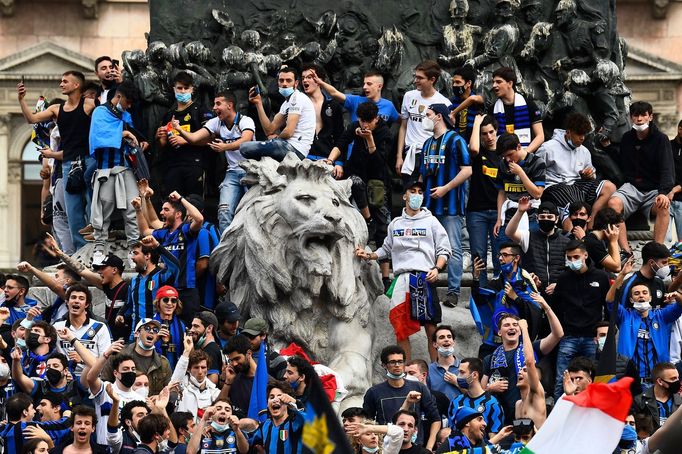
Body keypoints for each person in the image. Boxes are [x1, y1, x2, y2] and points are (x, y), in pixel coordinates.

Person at [356, 180, 451, 360]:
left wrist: (437, 268)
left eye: (420, 192)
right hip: (401, 280)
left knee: (431, 326)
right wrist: (369, 255)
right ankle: (407, 372)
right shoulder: (396, 224)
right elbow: (386, 249)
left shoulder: (432, 221)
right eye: (412, 191)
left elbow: (444, 249)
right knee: (401, 328)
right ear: (405, 196)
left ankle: (437, 369)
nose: (416, 195)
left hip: (424, 276)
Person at [17, 71, 96, 250]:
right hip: (68, 164)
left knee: (92, 203)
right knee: (72, 210)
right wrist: (22, 99)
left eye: (65, 81)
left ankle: (96, 245)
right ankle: (80, 251)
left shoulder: (90, 104)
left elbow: (111, 115)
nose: (61, 84)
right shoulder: (56, 109)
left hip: (89, 160)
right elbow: (32, 119)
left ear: (76, 85)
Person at [170, 90, 255, 233]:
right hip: (233, 173)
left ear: (229, 105)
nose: (214, 108)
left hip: (251, 171)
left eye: (218, 104)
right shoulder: (216, 122)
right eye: (214, 104)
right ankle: (226, 250)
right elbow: (195, 138)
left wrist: (225, 147)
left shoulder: (245, 120)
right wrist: (179, 129)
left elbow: (245, 141)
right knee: (224, 211)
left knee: (253, 211)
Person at [420, 103, 472, 308]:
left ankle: (453, 291)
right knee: (427, 247)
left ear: (439, 117)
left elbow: (467, 170)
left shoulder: (456, 140)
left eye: (429, 114)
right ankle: (427, 288)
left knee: (453, 248)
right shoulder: (426, 144)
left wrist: (446, 188)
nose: (425, 118)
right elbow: (423, 174)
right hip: (429, 205)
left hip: (450, 205)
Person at [88, 81, 146, 260]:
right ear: (119, 97)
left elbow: (131, 140)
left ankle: (134, 249)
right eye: (127, 101)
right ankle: (99, 249)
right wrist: (123, 134)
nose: (128, 106)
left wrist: (139, 143)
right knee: (102, 210)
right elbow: (98, 138)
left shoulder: (126, 116)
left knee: (132, 208)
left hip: (126, 169)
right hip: (105, 170)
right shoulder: (100, 112)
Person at [608, 101, 674, 251]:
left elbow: (667, 168)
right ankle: (626, 251)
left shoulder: (661, 139)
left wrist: (664, 192)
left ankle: (657, 251)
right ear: (631, 117)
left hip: (654, 190)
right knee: (613, 204)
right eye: (636, 115)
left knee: (664, 206)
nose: (639, 119)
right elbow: (621, 161)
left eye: (643, 115)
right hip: (632, 187)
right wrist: (608, 148)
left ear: (650, 117)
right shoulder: (626, 138)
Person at [329, 101, 392, 256]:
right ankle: (368, 220)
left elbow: (379, 161)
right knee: (355, 183)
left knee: (382, 226)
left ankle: (384, 273)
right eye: (362, 121)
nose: (364, 125)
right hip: (356, 172)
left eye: (368, 122)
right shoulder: (355, 126)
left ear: (376, 119)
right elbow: (341, 143)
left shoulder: (385, 133)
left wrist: (369, 139)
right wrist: (330, 160)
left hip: (377, 180)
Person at [607, 259, 682, 386]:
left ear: (650, 298)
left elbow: (680, 306)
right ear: (631, 299)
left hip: (657, 382)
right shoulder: (624, 316)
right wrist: (622, 275)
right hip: (630, 382)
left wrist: (677, 295)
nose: (641, 296)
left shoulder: (661, 316)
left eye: (644, 293)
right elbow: (610, 300)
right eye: (636, 294)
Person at [482, 308, 563, 426]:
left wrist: (546, 308)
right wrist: (490, 388)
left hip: (526, 411)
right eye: (506, 325)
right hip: (499, 414)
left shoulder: (532, 349)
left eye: (515, 324)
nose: (511, 327)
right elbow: (480, 391)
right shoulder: (490, 358)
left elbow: (558, 334)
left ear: (519, 330)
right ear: (499, 332)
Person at [551, 239, 610, 398]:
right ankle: (558, 414)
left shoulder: (601, 276)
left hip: (592, 337)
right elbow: (555, 305)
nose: (572, 261)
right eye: (569, 258)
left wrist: (606, 329)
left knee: (590, 380)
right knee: (561, 379)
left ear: (585, 255)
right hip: (569, 335)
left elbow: (608, 304)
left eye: (576, 257)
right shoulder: (563, 278)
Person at [137, 193, 204, 325]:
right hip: (167, 291)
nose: (161, 212)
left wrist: (181, 199)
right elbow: (145, 230)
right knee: (166, 329)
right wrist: (138, 209)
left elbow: (199, 219)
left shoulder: (185, 230)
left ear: (178, 214)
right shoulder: (164, 233)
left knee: (188, 329)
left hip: (186, 291)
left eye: (166, 210)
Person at [538, 112, 616, 222]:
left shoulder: (584, 151)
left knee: (609, 187)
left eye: (584, 134)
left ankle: (591, 226)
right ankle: (575, 234)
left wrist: (589, 175)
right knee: (576, 203)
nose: (582, 138)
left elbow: (591, 173)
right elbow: (535, 172)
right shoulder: (548, 148)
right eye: (579, 134)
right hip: (555, 186)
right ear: (568, 132)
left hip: (577, 185)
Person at [47, 237, 131, 340]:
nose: (99, 272)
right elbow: (80, 269)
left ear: (114, 270)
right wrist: (60, 253)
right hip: (109, 338)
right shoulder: (105, 286)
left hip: (125, 341)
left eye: (103, 268)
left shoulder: (128, 288)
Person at [362, 345, 441, 451]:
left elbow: (435, 419)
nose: (397, 365)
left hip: (415, 446)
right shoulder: (374, 392)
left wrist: (429, 448)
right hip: (387, 447)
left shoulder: (418, 387)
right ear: (384, 365)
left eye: (400, 361)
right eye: (393, 362)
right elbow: (368, 423)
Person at [470, 244, 542, 354]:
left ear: (516, 258)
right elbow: (479, 300)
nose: (500, 258)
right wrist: (476, 277)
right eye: (499, 255)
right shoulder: (498, 281)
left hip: (520, 342)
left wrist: (516, 298)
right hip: (496, 340)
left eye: (505, 255)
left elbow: (535, 311)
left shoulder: (525, 280)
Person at [156, 71, 213, 197]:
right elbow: (162, 146)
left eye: (186, 88)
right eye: (179, 88)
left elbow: (211, 139)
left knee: (194, 204)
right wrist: (160, 136)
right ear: (174, 89)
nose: (182, 91)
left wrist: (186, 140)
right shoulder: (169, 115)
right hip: (172, 166)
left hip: (194, 164)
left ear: (192, 89)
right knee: (173, 207)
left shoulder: (201, 110)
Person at [243, 66, 316, 160]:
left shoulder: (297, 98)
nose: (284, 84)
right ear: (278, 83)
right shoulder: (286, 104)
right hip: (286, 146)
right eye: (281, 80)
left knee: (245, 148)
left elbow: (289, 132)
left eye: (288, 80)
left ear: (296, 83)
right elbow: (269, 130)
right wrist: (258, 103)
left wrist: (274, 139)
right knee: (246, 148)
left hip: (295, 149)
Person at [396, 60, 451, 177]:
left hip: (431, 154)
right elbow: (403, 126)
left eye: (420, 78)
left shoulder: (444, 103)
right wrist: (399, 156)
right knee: (409, 193)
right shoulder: (408, 96)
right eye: (416, 77)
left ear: (432, 80)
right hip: (410, 153)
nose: (416, 81)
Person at [467, 114, 503, 288]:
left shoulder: (504, 154)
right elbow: (473, 148)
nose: (488, 137)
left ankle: (500, 290)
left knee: (499, 253)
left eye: (491, 132)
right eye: (484, 133)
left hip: (498, 211)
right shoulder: (478, 152)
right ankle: (480, 290)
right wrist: (476, 123)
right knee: (478, 254)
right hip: (477, 211)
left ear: (496, 131)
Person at [505, 198, 570, 294]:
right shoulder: (528, 236)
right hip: (533, 291)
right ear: (537, 219)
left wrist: (559, 285)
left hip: (558, 292)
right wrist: (520, 211)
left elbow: (569, 270)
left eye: (549, 217)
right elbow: (509, 232)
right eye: (542, 217)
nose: (546, 219)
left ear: (556, 219)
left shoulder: (566, 241)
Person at [118, 236, 180, 335]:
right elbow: (129, 304)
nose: (132, 258)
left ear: (147, 256)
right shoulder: (134, 281)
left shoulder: (161, 276)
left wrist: (157, 246)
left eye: (136, 253)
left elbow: (176, 266)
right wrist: (121, 315)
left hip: (157, 335)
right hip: (135, 336)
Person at [495, 133, 546, 247]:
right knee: (504, 255)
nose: (508, 159)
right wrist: (499, 219)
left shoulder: (537, 162)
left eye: (510, 154)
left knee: (530, 255)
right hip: (509, 217)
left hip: (531, 217)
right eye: (504, 156)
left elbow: (537, 194)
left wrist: (520, 173)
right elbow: (502, 192)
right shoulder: (503, 164)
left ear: (518, 147)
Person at [53, 283, 112, 378]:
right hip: (64, 379)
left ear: (87, 304)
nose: (76, 301)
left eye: (81, 298)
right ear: (67, 302)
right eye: (73, 297)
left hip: (91, 378)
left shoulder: (99, 327)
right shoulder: (57, 327)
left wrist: (82, 359)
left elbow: (105, 362)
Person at [100, 319, 172, 396]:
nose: (151, 332)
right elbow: (104, 384)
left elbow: (169, 392)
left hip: (150, 407)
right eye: (147, 328)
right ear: (137, 333)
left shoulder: (163, 363)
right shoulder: (118, 355)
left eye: (155, 330)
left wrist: (158, 398)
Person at [311, 69, 400, 123]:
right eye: (364, 84)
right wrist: (321, 83)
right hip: (355, 151)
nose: (364, 87)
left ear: (379, 86)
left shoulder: (389, 105)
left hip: (378, 152)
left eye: (369, 84)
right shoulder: (356, 101)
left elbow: (402, 121)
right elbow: (334, 93)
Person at [488, 66, 544, 153]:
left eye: (498, 82)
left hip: (525, 156)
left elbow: (540, 136)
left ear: (510, 84)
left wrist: (524, 154)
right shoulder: (492, 110)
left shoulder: (529, 105)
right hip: (501, 159)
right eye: (493, 82)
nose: (494, 85)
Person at [448, 357, 505, 437]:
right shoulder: (455, 402)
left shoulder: (492, 404)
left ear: (474, 375)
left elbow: (494, 439)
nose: (458, 376)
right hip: (458, 448)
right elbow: (451, 433)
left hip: (481, 449)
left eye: (462, 372)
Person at [300, 64, 344, 162]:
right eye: (303, 78)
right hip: (304, 157)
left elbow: (340, 136)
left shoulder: (333, 105)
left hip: (327, 158)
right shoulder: (299, 104)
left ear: (319, 80)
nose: (305, 80)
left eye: (309, 77)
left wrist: (339, 162)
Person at [0, 393, 71, 454]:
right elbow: (62, 426)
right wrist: (67, 416)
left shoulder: (3, 428)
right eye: (32, 408)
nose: (35, 410)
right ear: (25, 412)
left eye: (42, 404)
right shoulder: (27, 427)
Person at [170, 337, 220, 420]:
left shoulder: (213, 390)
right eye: (196, 367)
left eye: (203, 367)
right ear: (189, 369)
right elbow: (174, 382)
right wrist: (186, 351)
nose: (200, 371)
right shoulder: (181, 386)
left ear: (208, 369)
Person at [14, 260, 79, 324]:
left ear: (67, 281)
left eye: (57, 277)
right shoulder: (59, 300)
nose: (54, 279)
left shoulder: (74, 292)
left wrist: (31, 268)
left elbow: (55, 287)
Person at [250, 381, 305, 453]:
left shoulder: (295, 422)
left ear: (287, 403)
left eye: (280, 396)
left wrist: (295, 402)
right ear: (267, 404)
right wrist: (237, 429)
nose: (275, 400)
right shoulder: (264, 426)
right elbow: (247, 446)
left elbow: (311, 422)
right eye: (271, 397)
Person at [617, 241, 670, 308]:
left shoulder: (659, 283)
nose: (667, 266)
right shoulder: (629, 285)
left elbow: (663, 313)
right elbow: (622, 314)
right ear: (651, 262)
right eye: (664, 262)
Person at [437, 407, 512, 453]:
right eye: (479, 420)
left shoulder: (482, 444)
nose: (485, 424)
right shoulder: (449, 446)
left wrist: (501, 435)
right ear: (467, 423)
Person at [515, 319, 547, 428]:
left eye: (525, 370)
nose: (520, 371)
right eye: (520, 370)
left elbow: (529, 361)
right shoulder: (518, 404)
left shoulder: (537, 394)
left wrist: (524, 328)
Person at [632, 362, 682, 431]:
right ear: (660, 381)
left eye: (677, 378)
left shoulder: (680, 400)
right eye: (673, 379)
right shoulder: (640, 401)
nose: (677, 381)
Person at [221, 334, 258, 416]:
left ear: (248, 354)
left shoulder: (264, 382)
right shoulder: (233, 376)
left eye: (237, 358)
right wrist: (228, 382)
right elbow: (219, 406)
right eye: (231, 360)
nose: (234, 364)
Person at [152, 285, 186, 371]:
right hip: (155, 372)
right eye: (166, 300)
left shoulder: (181, 325)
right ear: (158, 302)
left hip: (176, 372)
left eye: (173, 300)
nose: (170, 303)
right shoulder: (149, 324)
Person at [581, 206, 623, 273]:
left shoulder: (593, 240)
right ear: (609, 227)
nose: (618, 230)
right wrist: (614, 241)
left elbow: (609, 268)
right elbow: (617, 267)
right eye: (617, 227)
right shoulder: (593, 244)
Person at [448, 66, 484, 142]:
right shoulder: (451, 102)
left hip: (475, 143)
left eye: (458, 82)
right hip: (456, 143)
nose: (454, 85)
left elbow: (472, 99)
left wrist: (454, 113)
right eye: (453, 82)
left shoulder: (477, 100)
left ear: (468, 83)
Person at [427, 325, 461, 401]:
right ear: (435, 344)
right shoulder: (429, 370)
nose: (446, 339)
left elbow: (475, 395)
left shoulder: (465, 366)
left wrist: (457, 383)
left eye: (449, 337)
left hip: (462, 411)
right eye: (441, 337)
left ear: (453, 342)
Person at [189, 311, 224, 386]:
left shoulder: (211, 350)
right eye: (192, 326)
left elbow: (212, 381)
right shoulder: (210, 348)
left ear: (209, 328)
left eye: (196, 326)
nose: (191, 330)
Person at [668, 119, 682, 240]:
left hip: (681, 201)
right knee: (664, 240)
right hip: (666, 199)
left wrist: (675, 190)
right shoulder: (668, 146)